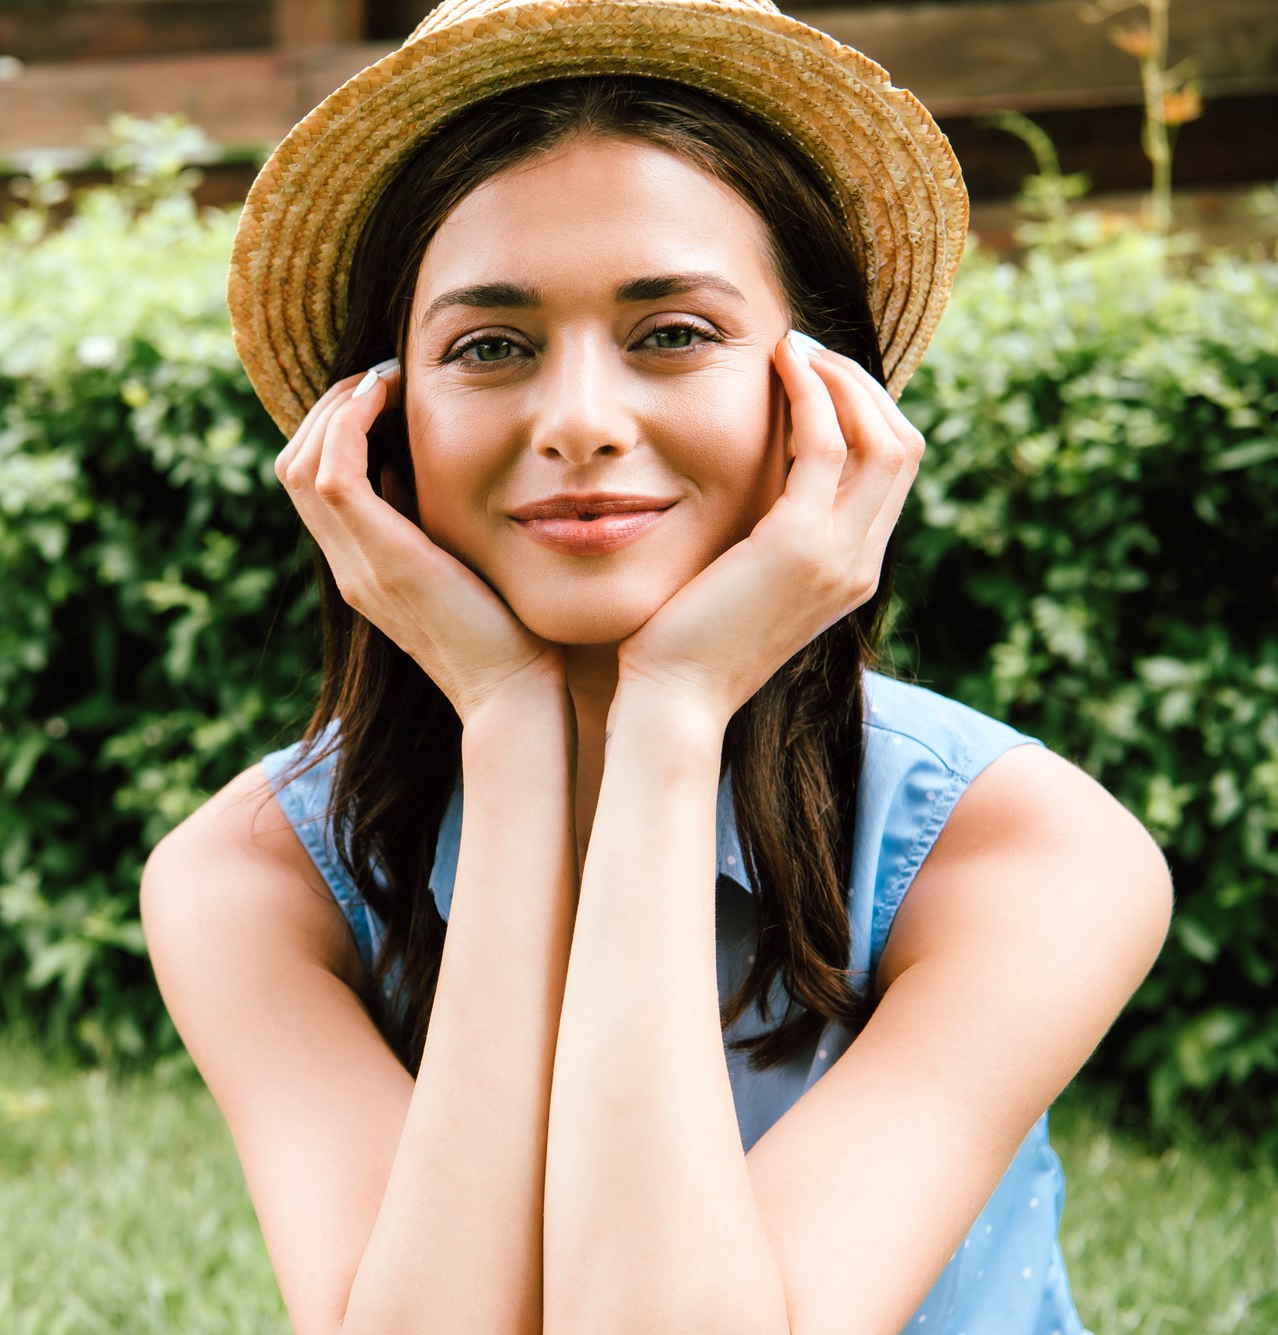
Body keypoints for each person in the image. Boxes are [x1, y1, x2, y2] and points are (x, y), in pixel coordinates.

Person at [140, 3, 1172, 1332]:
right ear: (380, 426)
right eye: (490, 347)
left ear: (822, 401)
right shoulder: (251, 881)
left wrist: (673, 717)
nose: (578, 421)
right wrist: (511, 730)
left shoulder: (1025, 856)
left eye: (673, 332)